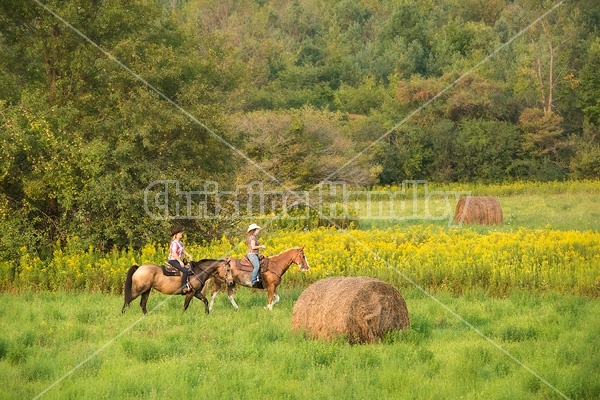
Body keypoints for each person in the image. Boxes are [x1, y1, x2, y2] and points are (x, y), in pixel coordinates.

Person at [168, 226, 194, 293]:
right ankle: (183, 287)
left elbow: (183, 251)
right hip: (173, 260)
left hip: (177, 260)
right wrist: (180, 262)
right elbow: (174, 253)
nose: (181, 234)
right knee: (185, 271)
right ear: (176, 235)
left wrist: (188, 255)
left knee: (190, 268)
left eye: (181, 233)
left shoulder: (180, 243)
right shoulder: (174, 243)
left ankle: (189, 284)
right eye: (180, 233)